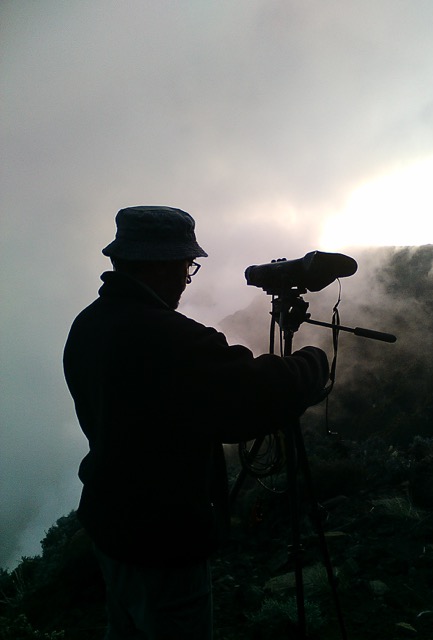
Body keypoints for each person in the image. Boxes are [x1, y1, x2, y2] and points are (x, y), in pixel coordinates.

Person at [63, 205, 329, 640]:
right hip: (163, 542)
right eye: (187, 267)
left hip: (110, 525)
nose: (188, 278)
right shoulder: (168, 338)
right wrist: (313, 362)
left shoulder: (89, 324)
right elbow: (251, 397)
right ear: (165, 266)